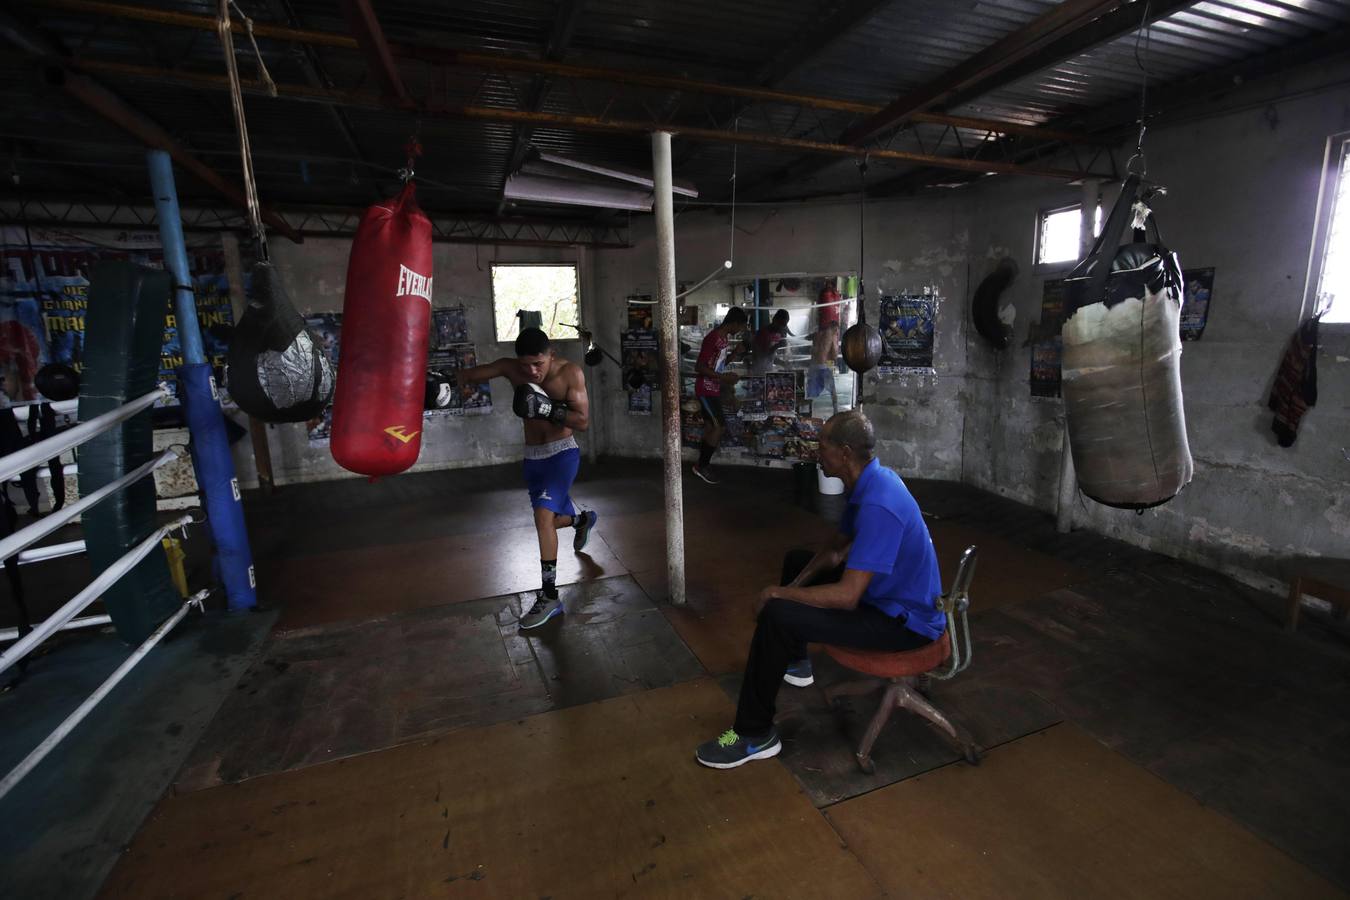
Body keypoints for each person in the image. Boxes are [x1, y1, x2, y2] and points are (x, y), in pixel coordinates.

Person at [694, 409, 944, 768]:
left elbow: (847, 596)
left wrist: (779, 595)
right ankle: (796, 662)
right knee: (798, 562)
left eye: (821, 447)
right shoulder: (868, 483)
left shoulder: (879, 502)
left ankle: (751, 734)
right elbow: (834, 549)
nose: (816, 453)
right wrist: (794, 585)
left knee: (778, 615)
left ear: (844, 453)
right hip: (886, 599)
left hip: (904, 625)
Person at [458, 327, 598, 629]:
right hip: (533, 459)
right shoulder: (513, 369)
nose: (532, 371)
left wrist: (549, 410)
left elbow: (583, 422)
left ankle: (550, 597)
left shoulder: (569, 374)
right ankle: (581, 520)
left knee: (542, 517)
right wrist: (441, 382)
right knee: (549, 520)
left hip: (562, 455)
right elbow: (476, 374)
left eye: (539, 364)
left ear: (551, 355)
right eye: (526, 366)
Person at [691, 307, 748, 484]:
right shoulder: (713, 338)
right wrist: (724, 378)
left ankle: (700, 465)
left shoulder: (724, 339)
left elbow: (718, 365)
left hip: (713, 388)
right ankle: (702, 466)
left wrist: (735, 354)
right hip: (705, 389)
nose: (740, 330)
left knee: (710, 428)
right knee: (719, 427)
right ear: (734, 323)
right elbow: (699, 367)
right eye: (741, 326)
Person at [806, 319, 840, 415]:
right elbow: (834, 354)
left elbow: (812, 349)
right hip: (824, 366)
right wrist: (832, 366)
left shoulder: (817, 334)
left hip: (813, 366)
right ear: (835, 328)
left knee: (810, 391)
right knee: (833, 390)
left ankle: (807, 412)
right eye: (837, 330)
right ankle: (836, 411)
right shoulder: (832, 335)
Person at [749, 309, 793, 375]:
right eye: (781, 324)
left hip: (767, 371)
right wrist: (777, 346)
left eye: (784, 325)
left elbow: (770, 357)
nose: (782, 327)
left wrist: (782, 363)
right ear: (775, 320)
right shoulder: (763, 333)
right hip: (758, 373)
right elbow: (763, 356)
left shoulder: (775, 334)